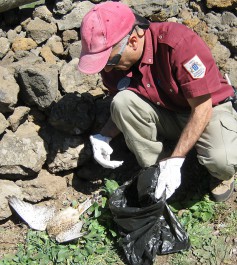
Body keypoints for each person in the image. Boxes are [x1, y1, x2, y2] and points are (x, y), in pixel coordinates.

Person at [78, 1, 237, 202]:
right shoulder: (114, 66)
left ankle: (215, 173)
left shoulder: (177, 43)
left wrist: (177, 159)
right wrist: (104, 136)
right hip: (168, 113)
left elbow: (202, 108)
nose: (107, 70)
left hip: (208, 109)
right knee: (121, 101)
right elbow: (126, 107)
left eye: (109, 61)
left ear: (134, 41)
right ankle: (159, 170)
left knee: (222, 160)